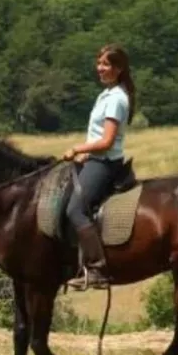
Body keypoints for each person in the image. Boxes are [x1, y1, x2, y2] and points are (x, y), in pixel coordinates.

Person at [62, 44, 135, 290]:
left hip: (104, 164)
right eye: (99, 63)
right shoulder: (106, 94)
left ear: (119, 68)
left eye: (106, 64)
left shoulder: (116, 99)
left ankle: (97, 269)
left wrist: (77, 149)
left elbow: (106, 142)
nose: (100, 68)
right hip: (94, 159)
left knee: (75, 210)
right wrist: (85, 154)